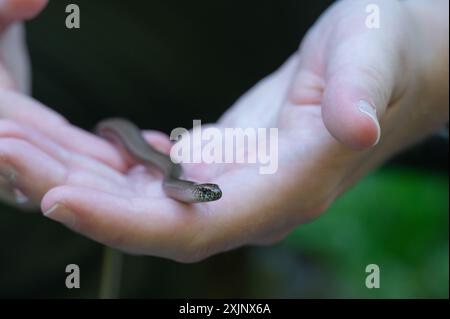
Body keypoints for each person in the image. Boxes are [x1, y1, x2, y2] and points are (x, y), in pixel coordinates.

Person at [0, 0, 448, 263]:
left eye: (207, 196)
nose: (206, 198)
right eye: (206, 194)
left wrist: (431, 45)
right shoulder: (174, 177)